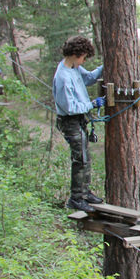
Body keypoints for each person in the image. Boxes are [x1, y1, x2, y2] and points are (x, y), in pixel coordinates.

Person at [52, 36, 104, 213]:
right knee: (79, 158)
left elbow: (89, 78)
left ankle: (84, 192)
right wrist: (92, 104)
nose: (84, 61)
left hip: (79, 119)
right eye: (83, 57)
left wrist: (105, 67)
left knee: (85, 156)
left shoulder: (74, 68)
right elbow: (70, 107)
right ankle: (75, 198)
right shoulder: (63, 77)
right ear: (75, 54)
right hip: (70, 120)